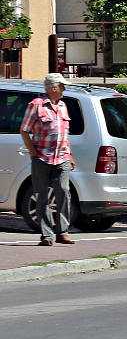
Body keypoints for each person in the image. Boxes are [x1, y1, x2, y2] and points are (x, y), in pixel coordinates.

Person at [19, 73, 75, 246]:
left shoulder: (64, 105)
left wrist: (70, 154)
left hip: (62, 157)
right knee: (41, 195)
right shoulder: (36, 105)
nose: (65, 88)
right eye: (62, 85)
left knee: (63, 191)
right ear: (54, 87)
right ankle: (47, 235)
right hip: (42, 157)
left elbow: (66, 134)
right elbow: (24, 130)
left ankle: (62, 232)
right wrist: (33, 152)